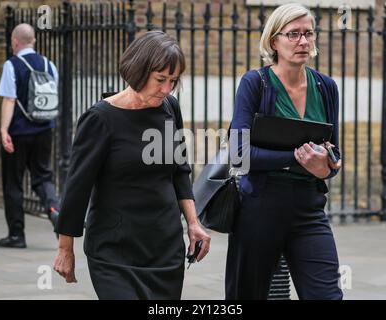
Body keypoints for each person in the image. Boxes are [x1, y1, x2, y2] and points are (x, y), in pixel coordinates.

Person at [53, 31, 211, 300]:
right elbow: (77, 187)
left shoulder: (169, 108)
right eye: (160, 79)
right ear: (138, 71)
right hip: (114, 250)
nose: (166, 89)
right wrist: (65, 248)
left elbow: (180, 170)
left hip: (164, 248)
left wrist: (193, 223)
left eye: (172, 81)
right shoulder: (100, 119)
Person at [225, 3, 343, 300]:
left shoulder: (326, 86)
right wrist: (298, 158)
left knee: (326, 295)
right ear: (274, 41)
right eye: (293, 34)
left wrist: (329, 165)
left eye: (308, 33)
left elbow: (335, 152)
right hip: (260, 207)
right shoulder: (256, 83)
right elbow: (239, 152)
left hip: (309, 209)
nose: (303, 42)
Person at [0, 23, 60, 248]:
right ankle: (55, 211)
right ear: (33, 41)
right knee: (43, 177)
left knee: (13, 183)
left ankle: (16, 236)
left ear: (15, 42)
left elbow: (9, 99)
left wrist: (4, 130)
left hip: (18, 133)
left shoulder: (12, 65)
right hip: (44, 130)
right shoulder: (49, 65)